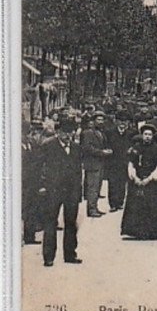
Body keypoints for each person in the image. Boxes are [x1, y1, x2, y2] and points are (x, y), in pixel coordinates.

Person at [39, 117, 83, 266]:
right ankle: (49, 257)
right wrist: (42, 186)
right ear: (58, 132)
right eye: (64, 132)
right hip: (53, 190)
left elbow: (78, 171)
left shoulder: (77, 148)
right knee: (50, 222)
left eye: (71, 132)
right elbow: (40, 167)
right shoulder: (48, 145)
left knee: (71, 223)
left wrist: (78, 192)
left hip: (71, 192)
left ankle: (70, 254)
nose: (67, 135)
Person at [120, 123, 157, 240]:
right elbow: (131, 164)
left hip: (151, 180)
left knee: (152, 205)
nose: (147, 137)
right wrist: (135, 177)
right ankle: (136, 231)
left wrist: (150, 179)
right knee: (136, 205)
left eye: (150, 135)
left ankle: (153, 232)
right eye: (145, 134)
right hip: (137, 179)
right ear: (142, 135)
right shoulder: (136, 148)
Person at [81, 112, 112, 217]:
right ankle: (91, 209)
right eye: (98, 120)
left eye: (102, 120)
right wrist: (102, 152)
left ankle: (95, 207)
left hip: (100, 163)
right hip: (92, 163)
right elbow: (87, 148)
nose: (101, 122)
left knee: (97, 187)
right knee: (92, 187)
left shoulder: (101, 132)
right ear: (93, 121)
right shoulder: (88, 133)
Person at [107, 112, 135, 211]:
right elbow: (107, 145)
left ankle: (120, 202)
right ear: (116, 121)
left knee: (122, 183)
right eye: (120, 121)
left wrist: (131, 149)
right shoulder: (110, 132)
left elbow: (134, 145)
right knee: (113, 183)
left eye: (125, 121)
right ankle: (113, 204)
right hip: (113, 161)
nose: (123, 123)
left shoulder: (131, 133)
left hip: (125, 161)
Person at [22, 119, 43, 244]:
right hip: (22, 183)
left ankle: (30, 236)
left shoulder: (31, 143)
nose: (28, 136)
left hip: (32, 182)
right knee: (23, 209)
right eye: (26, 133)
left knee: (32, 209)